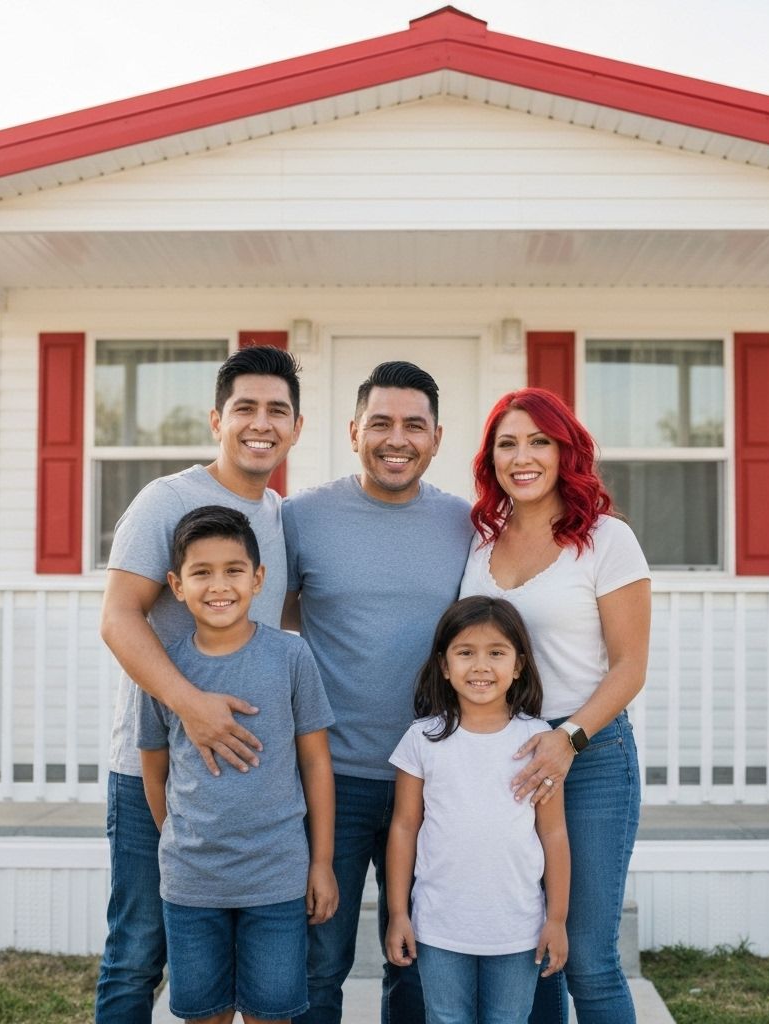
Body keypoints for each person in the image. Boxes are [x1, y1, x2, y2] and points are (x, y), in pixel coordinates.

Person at [95, 346, 304, 1024]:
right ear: (217, 419)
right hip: (156, 771)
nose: (261, 423)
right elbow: (118, 618)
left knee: (243, 982)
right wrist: (191, 707)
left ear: (296, 427)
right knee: (137, 952)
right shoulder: (167, 501)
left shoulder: (277, 517)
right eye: (245, 408)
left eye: (277, 410)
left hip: (246, 789)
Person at [282, 361, 475, 1024]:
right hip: (329, 778)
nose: (397, 439)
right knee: (318, 962)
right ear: (353, 431)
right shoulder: (302, 517)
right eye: (381, 423)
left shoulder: (464, 524)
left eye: (414, 425)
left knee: (416, 962)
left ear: (437, 437)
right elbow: (279, 619)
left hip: (431, 779)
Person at [459, 387, 651, 1024]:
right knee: (528, 954)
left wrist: (568, 737)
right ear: (490, 458)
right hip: (502, 761)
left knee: (588, 960)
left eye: (539, 441)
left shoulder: (606, 540)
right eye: (507, 444)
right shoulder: (481, 541)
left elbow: (630, 666)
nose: (523, 457)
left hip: (589, 756)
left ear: (566, 450)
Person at [137, 506, 337, 1023]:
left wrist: (321, 862)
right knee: (205, 1014)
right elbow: (154, 768)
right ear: (177, 586)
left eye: (233, 570)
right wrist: (177, 837)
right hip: (192, 883)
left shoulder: (291, 658)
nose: (219, 585)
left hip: (277, 879)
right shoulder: (165, 671)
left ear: (258, 579)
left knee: (271, 1014)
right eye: (201, 573)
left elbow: (316, 763)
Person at [385, 596, 569, 1024]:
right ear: (444, 666)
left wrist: (557, 918)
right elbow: (404, 827)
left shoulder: (538, 741)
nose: (480, 666)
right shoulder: (421, 739)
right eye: (466, 653)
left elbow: (554, 833)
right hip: (439, 926)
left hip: (518, 928)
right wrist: (397, 914)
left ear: (519, 665)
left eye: (496, 653)